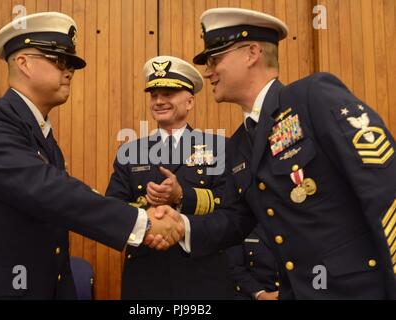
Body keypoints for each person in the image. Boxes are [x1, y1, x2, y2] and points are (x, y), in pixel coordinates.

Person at [150, 7, 396, 299]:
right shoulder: (240, 142)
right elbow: (236, 218)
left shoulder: (312, 97)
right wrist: (182, 226)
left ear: (251, 53)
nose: (208, 72)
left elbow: (383, 184)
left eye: (215, 59)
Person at [0, 12, 182, 300]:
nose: (69, 70)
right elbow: (46, 190)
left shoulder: (43, 137)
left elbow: (54, 226)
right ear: (24, 63)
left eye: (71, 64)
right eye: (59, 61)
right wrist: (141, 223)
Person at [106, 55, 232, 299]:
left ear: (190, 102)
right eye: (154, 95)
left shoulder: (220, 148)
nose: (159, 101)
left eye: (168, 94)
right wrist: (148, 211)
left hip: (203, 276)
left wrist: (182, 195)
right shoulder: (130, 152)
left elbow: (229, 206)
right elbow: (114, 207)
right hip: (146, 277)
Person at [226, 225, 279, 300]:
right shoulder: (240, 226)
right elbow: (234, 266)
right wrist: (260, 294)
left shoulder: (290, 223)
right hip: (251, 294)